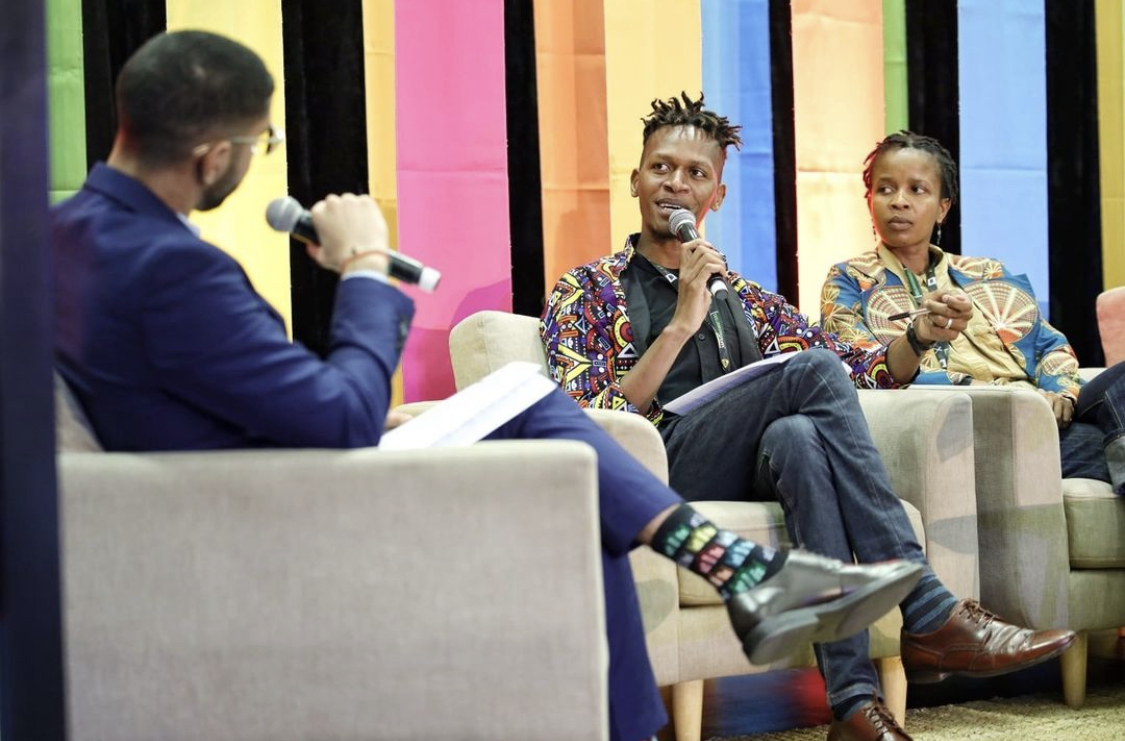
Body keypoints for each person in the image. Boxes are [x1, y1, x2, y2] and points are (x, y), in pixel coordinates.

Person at [51, 32, 925, 741]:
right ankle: (769, 576)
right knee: (555, 429)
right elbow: (338, 419)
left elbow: (264, 397)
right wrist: (362, 273)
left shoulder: (65, 237)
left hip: (228, 480)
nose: (676, 185)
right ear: (213, 155)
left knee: (556, 445)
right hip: (267, 512)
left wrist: (907, 341)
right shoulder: (173, 267)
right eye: (262, 143)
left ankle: (743, 593)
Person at [540, 93, 1076, 741]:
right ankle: (927, 603)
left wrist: (919, 337)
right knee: (808, 373)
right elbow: (593, 417)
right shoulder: (587, 289)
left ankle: (851, 702)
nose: (675, 184)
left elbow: (855, 366)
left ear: (717, 195)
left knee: (797, 434)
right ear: (634, 178)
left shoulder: (739, 295)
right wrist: (681, 324)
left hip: (737, 467)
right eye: (661, 167)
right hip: (649, 475)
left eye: (695, 173)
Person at [820, 130, 1125, 496]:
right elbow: (859, 371)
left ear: (943, 206)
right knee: (1101, 442)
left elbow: (1049, 347)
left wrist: (1061, 395)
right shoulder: (850, 281)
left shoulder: (988, 273)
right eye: (886, 189)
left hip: (1046, 418)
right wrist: (1008, 397)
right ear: (869, 200)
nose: (899, 202)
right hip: (972, 429)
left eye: (917, 190)